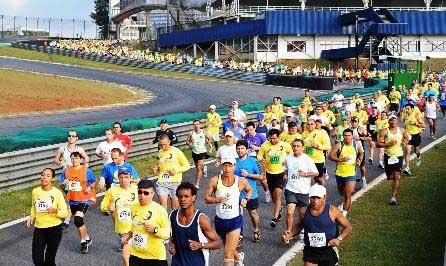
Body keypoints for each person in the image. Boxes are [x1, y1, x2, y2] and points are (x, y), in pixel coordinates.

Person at [282, 184, 352, 265]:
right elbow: (299, 226)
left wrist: (339, 239)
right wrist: (289, 235)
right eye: (313, 197)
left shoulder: (333, 211)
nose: (315, 201)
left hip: (328, 249)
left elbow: (348, 227)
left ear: (324, 197)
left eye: (318, 198)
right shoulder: (304, 211)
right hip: (310, 250)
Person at [204, 157, 252, 266]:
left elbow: (249, 190)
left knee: (227, 254)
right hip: (220, 221)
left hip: (235, 220)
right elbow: (206, 199)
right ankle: (239, 257)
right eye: (225, 165)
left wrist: (245, 199)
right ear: (221, 166)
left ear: (234, 166)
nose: (227, 168)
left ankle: (235, 259)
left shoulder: (241, 181)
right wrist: (217, 199)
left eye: (230, 166)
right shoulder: (214, 180)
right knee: (228, 248)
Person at [169, 182, 223, 266]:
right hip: (177, 262)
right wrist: (171, 245)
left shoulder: (201, 219)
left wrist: (200, 245)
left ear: (194, 198)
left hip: (197, 262)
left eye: (186, 196)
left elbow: (218, 243)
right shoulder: (173, 215)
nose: (183, 199)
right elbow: (172, 237)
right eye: (180, 197)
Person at [122, 180, 170, 266]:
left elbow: (167, 233)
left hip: (155, 257)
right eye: (140, 192)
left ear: (152, 194)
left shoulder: (160, 210)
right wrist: (129, 235)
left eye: (146, 193)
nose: (142, 195)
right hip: (136, 254)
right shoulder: (133, 207)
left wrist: (155, 230)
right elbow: (135, 226)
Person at [27, 168, 68, 266]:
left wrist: (55, 211)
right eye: (43, 174)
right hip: (39, 228)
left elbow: (65, 213)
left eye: (48, 175)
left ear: (52, 179)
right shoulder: (35, 191)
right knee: (37, 259)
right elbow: (34, 206)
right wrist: (32, 215)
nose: (44, 177)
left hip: (54, 229)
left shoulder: (57, 193)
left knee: (49, 260)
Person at [59, 152, 96, 254]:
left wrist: (90, 187)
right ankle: (87, 238)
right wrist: (63, 184)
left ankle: (83, 242)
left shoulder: (86, 170)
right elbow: (61, 185)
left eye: (76, 158)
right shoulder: (67, 171)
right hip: (72, 199)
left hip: (84, 198)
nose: (74, 160)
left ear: (81, 159)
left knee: (78, 219)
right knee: (79, 222)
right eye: (72, 158)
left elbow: (94, 181)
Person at [282, 139, 318, 244]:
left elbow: (316, 173)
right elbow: (286, 169)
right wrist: (285, 175)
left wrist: (305, 174)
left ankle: (301, 230)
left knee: (302, 215)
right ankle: (288, 232)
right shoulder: (288, 158)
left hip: (304, 191)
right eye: (294, 146)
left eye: (298, 146)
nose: (296, 148)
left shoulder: (307, 159)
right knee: (290, 211)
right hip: (290, 189)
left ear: (302, 147)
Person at [100, 167, 139, 265]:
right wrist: (109, 208)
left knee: (131, 253)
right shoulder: (112, 191)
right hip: (122, 226)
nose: (124, 180)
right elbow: (103, 206)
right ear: (118, 178)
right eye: (121, 177)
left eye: (126, 177)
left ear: (131, 178)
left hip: (137, 226)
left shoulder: (137, 190)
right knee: (128, 254)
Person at [54, 130, 89, 230]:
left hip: (77, 176)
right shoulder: (62, 149)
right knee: (69, 198)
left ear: (76, 138)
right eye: (69, 136)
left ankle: (67, 219)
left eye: (73, 136)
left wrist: (83, 164)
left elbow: (87, 158)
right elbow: (56, 160)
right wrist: (62, 164)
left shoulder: (80, 149)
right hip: (66, 176)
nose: (71, 137)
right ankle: (69, 217)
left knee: (73, 197)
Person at [257, 128, 292, 228]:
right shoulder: (265, 145)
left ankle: (275, 218)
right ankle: (279, 209)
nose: (272, 140)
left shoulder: (284, 145)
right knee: (274, 197)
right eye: (270, 138)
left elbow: (292, 155)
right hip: (269, 173)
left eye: (274, 138)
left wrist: (287, 169)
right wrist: (262, 160)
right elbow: (259, 156)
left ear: (279, 137)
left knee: (277, 195)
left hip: (280, 173)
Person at [329, 128, 364, 217]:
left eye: (349, 135)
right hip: (339, 173)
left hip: (351, 174)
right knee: (342, 192)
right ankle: (345, 205)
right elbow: (330, 156)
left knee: (348, 194)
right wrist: (340, 159)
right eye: (345, 135)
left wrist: (359, 159)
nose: (347, 137)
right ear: (343, 136)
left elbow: (361, 153)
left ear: (352, 136)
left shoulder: (357, 145)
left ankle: (344, 214)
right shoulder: (339, 145)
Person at [377, 114, 410, 205]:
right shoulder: (385, 131)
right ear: (388, 122)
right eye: (391, 120)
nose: (393, 122)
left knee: (396, 175)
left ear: (397, 121)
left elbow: (408, 138)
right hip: (389, 156)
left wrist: (406, 141)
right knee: (389, 177)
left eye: (394, 120)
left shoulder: (402, 130)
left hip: (398, 156)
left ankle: (393, 197)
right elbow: (378, 144)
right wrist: (388, 144)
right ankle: (395, 180)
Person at [235, 140, 264, 243]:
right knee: (238, 215)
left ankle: (256, 230)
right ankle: (240, 236)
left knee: (253, 214)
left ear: (247, 150)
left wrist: (248, 175)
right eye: (238, 148)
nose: (240, 150)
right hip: (237, 195)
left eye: (242, 148)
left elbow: (261, 176)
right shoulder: (234, 162)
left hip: (250, 194)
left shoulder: (253, 161)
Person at [153, 134, 190, 210]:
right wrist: (156, 168)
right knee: (163, 205)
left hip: (174, 182)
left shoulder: (177, 152)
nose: (163, 147)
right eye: (161, 145)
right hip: (162, 182)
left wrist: (176, 170)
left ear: (169, 142)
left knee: (175, 208)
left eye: (164, 144)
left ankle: (173, 221)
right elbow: (159, 164)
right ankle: (165, 221)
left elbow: (187, 165)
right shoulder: (160, 152)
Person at [302, 119, 331, 185]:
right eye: (308, 124)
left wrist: (318, 146)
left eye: (312, 124)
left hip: (318, 160)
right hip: (307, 160)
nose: (310, 126)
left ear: (315, 125)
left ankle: (321, 192)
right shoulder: (304, 134)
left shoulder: (321, 133)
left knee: (319, 178)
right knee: (306, 177)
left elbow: (328, 146)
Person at [186, 120, 213, 189]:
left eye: (197, 124)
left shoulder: (204, 132)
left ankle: (197, 183)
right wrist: (189, 144)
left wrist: (208, 142)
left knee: (198, 168)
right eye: (194, 124)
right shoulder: (191, 133)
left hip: (202, 152)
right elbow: (187, 141)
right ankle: (204, 167)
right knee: (197, 167)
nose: (196, 126)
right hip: (194, 152)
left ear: (200, 125)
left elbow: (210, 139)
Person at [402, 104, 425, 175]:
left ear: (412, 109)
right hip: (408, 136)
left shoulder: (416, 116)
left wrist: (416, 124)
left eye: (408, 109)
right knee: (407, 152)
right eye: (406, 109)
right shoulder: (405, 117)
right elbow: (405, 126)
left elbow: (423, 125)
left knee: (416, 151)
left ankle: (418, 156)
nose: (406, 110)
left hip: (416, 136)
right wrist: (403, 134)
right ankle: (407, 168)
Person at [350, 117, 370, 187]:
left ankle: (364, 179)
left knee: (362, 166)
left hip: (360, 150)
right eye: (352, 121)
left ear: (358, 122)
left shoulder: (361, 129)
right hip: (351, 150)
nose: (353, 123)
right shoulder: (349, 129)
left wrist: (359, 138)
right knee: (351, 165)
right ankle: (352, 181)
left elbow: (369, 138)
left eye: (355, 121)